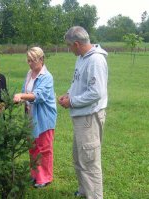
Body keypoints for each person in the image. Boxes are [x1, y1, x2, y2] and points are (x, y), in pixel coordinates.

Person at [58, 26, 108, 199]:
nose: (68, 49)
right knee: (79, 157)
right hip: (80, 116)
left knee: (90, 160)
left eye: (69, 45)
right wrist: (68, 94)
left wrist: (72, 102)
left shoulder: (96, 61)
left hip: (89, 118)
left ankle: (95, 196)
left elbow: (96, 92)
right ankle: (85, 190)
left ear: (77, 44)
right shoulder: (81, 58)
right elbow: (77, 81)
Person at [13, 47, 57, 188]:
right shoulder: (29, 73)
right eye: (28, 60)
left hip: (44, 118)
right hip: (30, 116)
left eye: (33, 60)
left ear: (42, 60)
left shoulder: (47, 77)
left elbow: (39, 95)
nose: (30, 64)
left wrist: (21, 96)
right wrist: (21, 97)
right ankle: (35, 174)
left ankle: (45, 178)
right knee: (32, 147)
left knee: (44, 148)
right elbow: (25, 90)